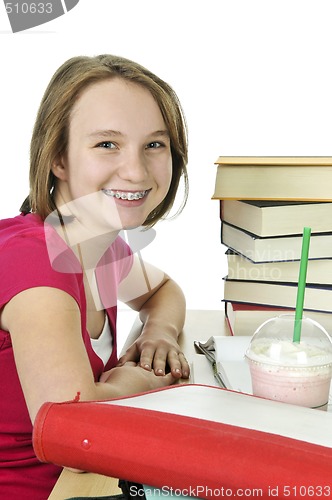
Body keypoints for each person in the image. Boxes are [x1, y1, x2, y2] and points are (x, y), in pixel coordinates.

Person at [0, 54, 189, 499]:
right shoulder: (36, 266)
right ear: (58, 158)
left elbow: (163, 290)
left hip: (90, 479)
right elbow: (69, 429)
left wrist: (158, 333)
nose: (136, 170)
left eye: (154, 145)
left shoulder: (95, 243)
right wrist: (139, 380)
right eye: (107, 144)